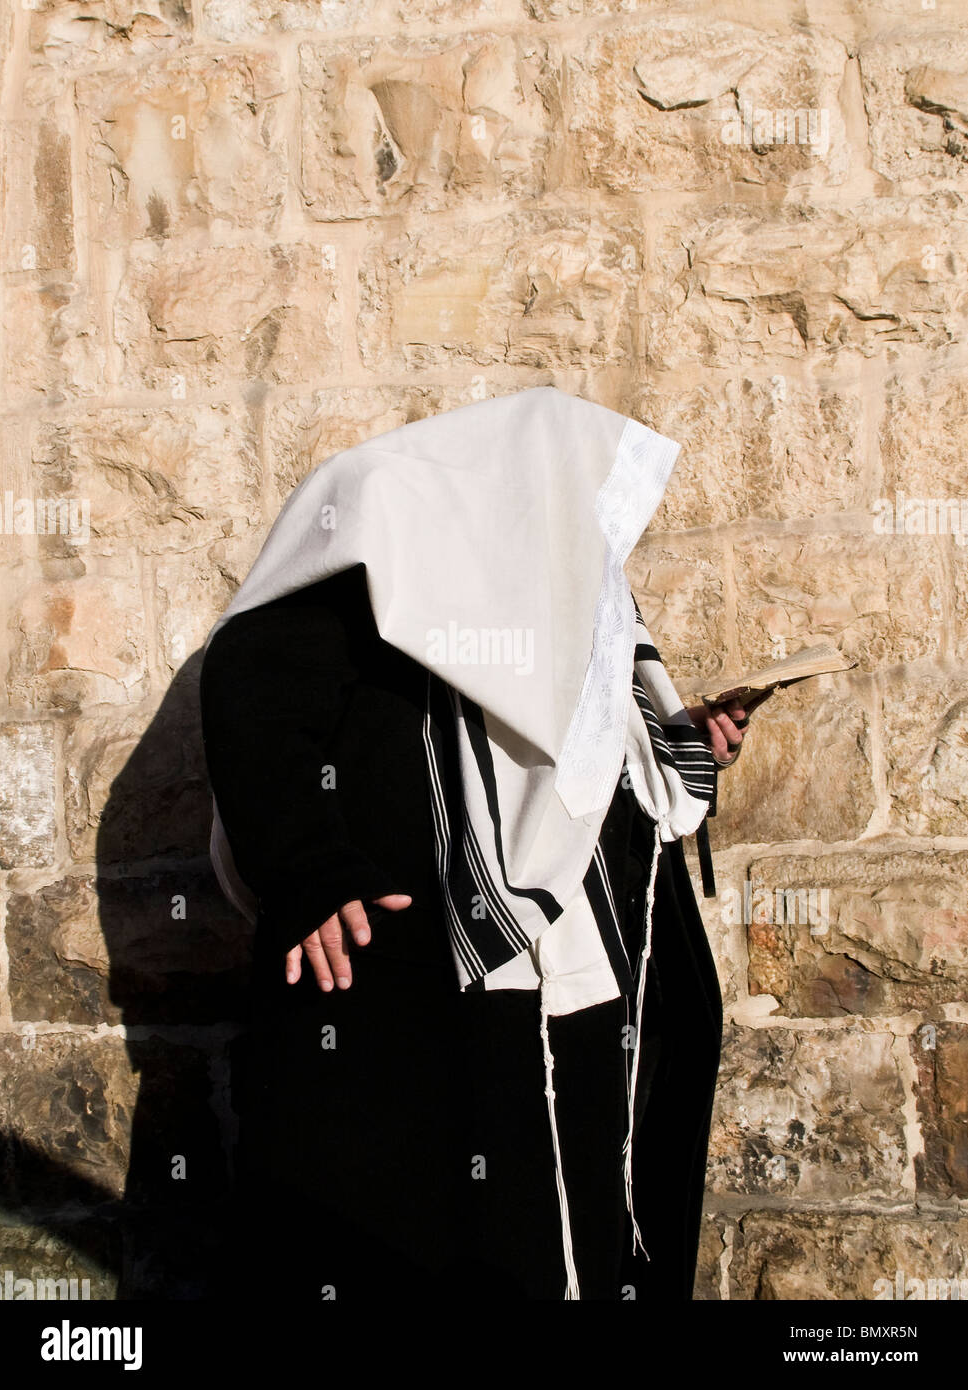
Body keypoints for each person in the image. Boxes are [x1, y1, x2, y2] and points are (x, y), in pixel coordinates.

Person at [198, 386, 753, 1301]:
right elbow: (252, 692)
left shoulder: (553, 565)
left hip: (575, 965)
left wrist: (680, 736)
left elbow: (572, 739)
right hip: (419, 958)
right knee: (425, 1220)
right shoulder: (380, 525)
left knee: (572, 1190)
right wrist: (308, 868)